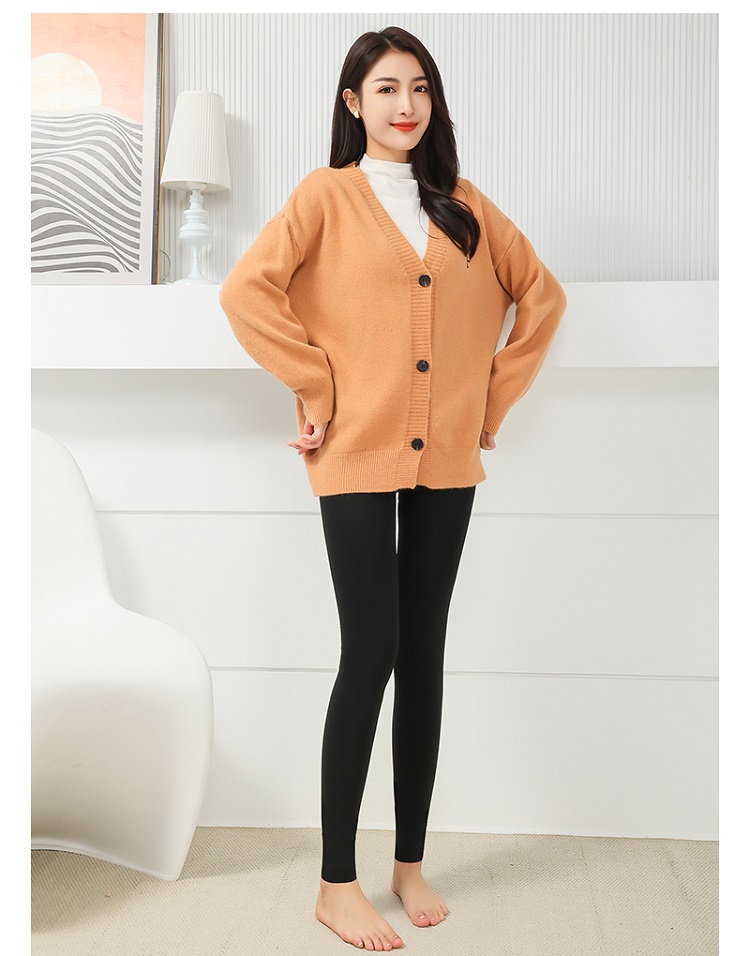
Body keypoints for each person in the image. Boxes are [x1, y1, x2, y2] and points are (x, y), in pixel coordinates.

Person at [219, 25, 567, 952]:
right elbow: (247, 293)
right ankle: (337, 882)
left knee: (425, 654)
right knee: (369, 649)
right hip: (355, 451)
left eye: (418, 87)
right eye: (385, 88)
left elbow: (541, 298)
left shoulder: (464, 205)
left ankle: (409, 863)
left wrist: (490, 398)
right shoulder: (325, 196)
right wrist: (315, 386)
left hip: (447, 456)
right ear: (353, 102)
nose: (405, 104)